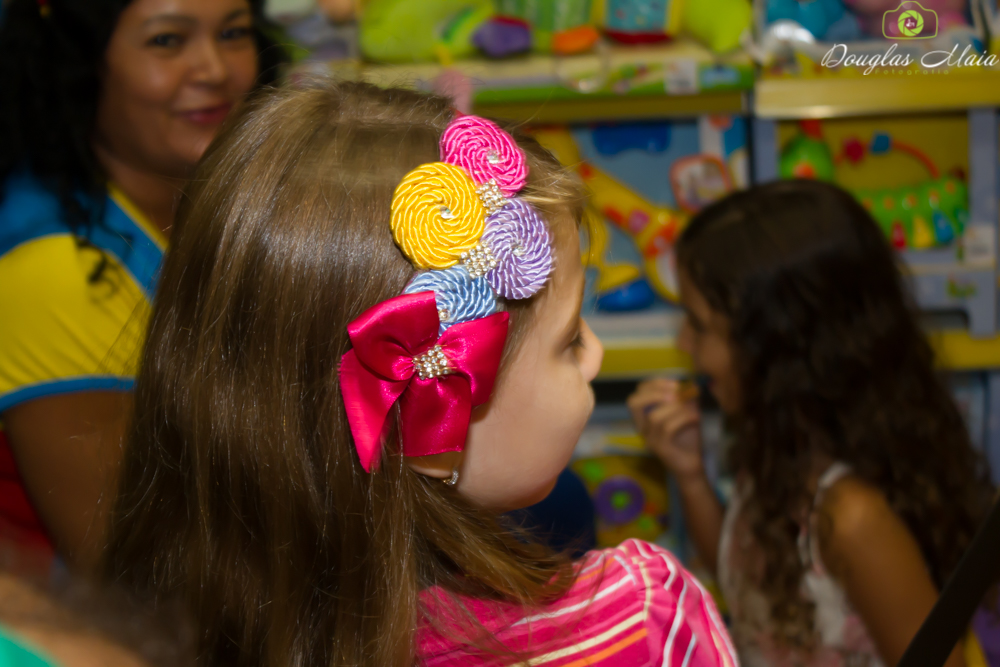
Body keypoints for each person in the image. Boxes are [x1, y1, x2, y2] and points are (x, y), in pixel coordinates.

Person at [101, 80, 738, 667]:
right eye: (570, 339)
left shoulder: (138, 636)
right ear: (438, 405)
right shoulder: (644, 620)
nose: (594, 354)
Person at [628, 179, 997, 667]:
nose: (684, 342)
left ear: (776, 349)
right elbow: (746, 582)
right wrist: (691, 476)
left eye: (700, 325)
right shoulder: (781, 450)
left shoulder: (852, 519)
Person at [0, 0, 287, 571]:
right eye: (166, 41)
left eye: (233, 33)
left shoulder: (207, 200)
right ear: (80, 65)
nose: (213, 69)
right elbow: (130, 564)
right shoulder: (58, 269)